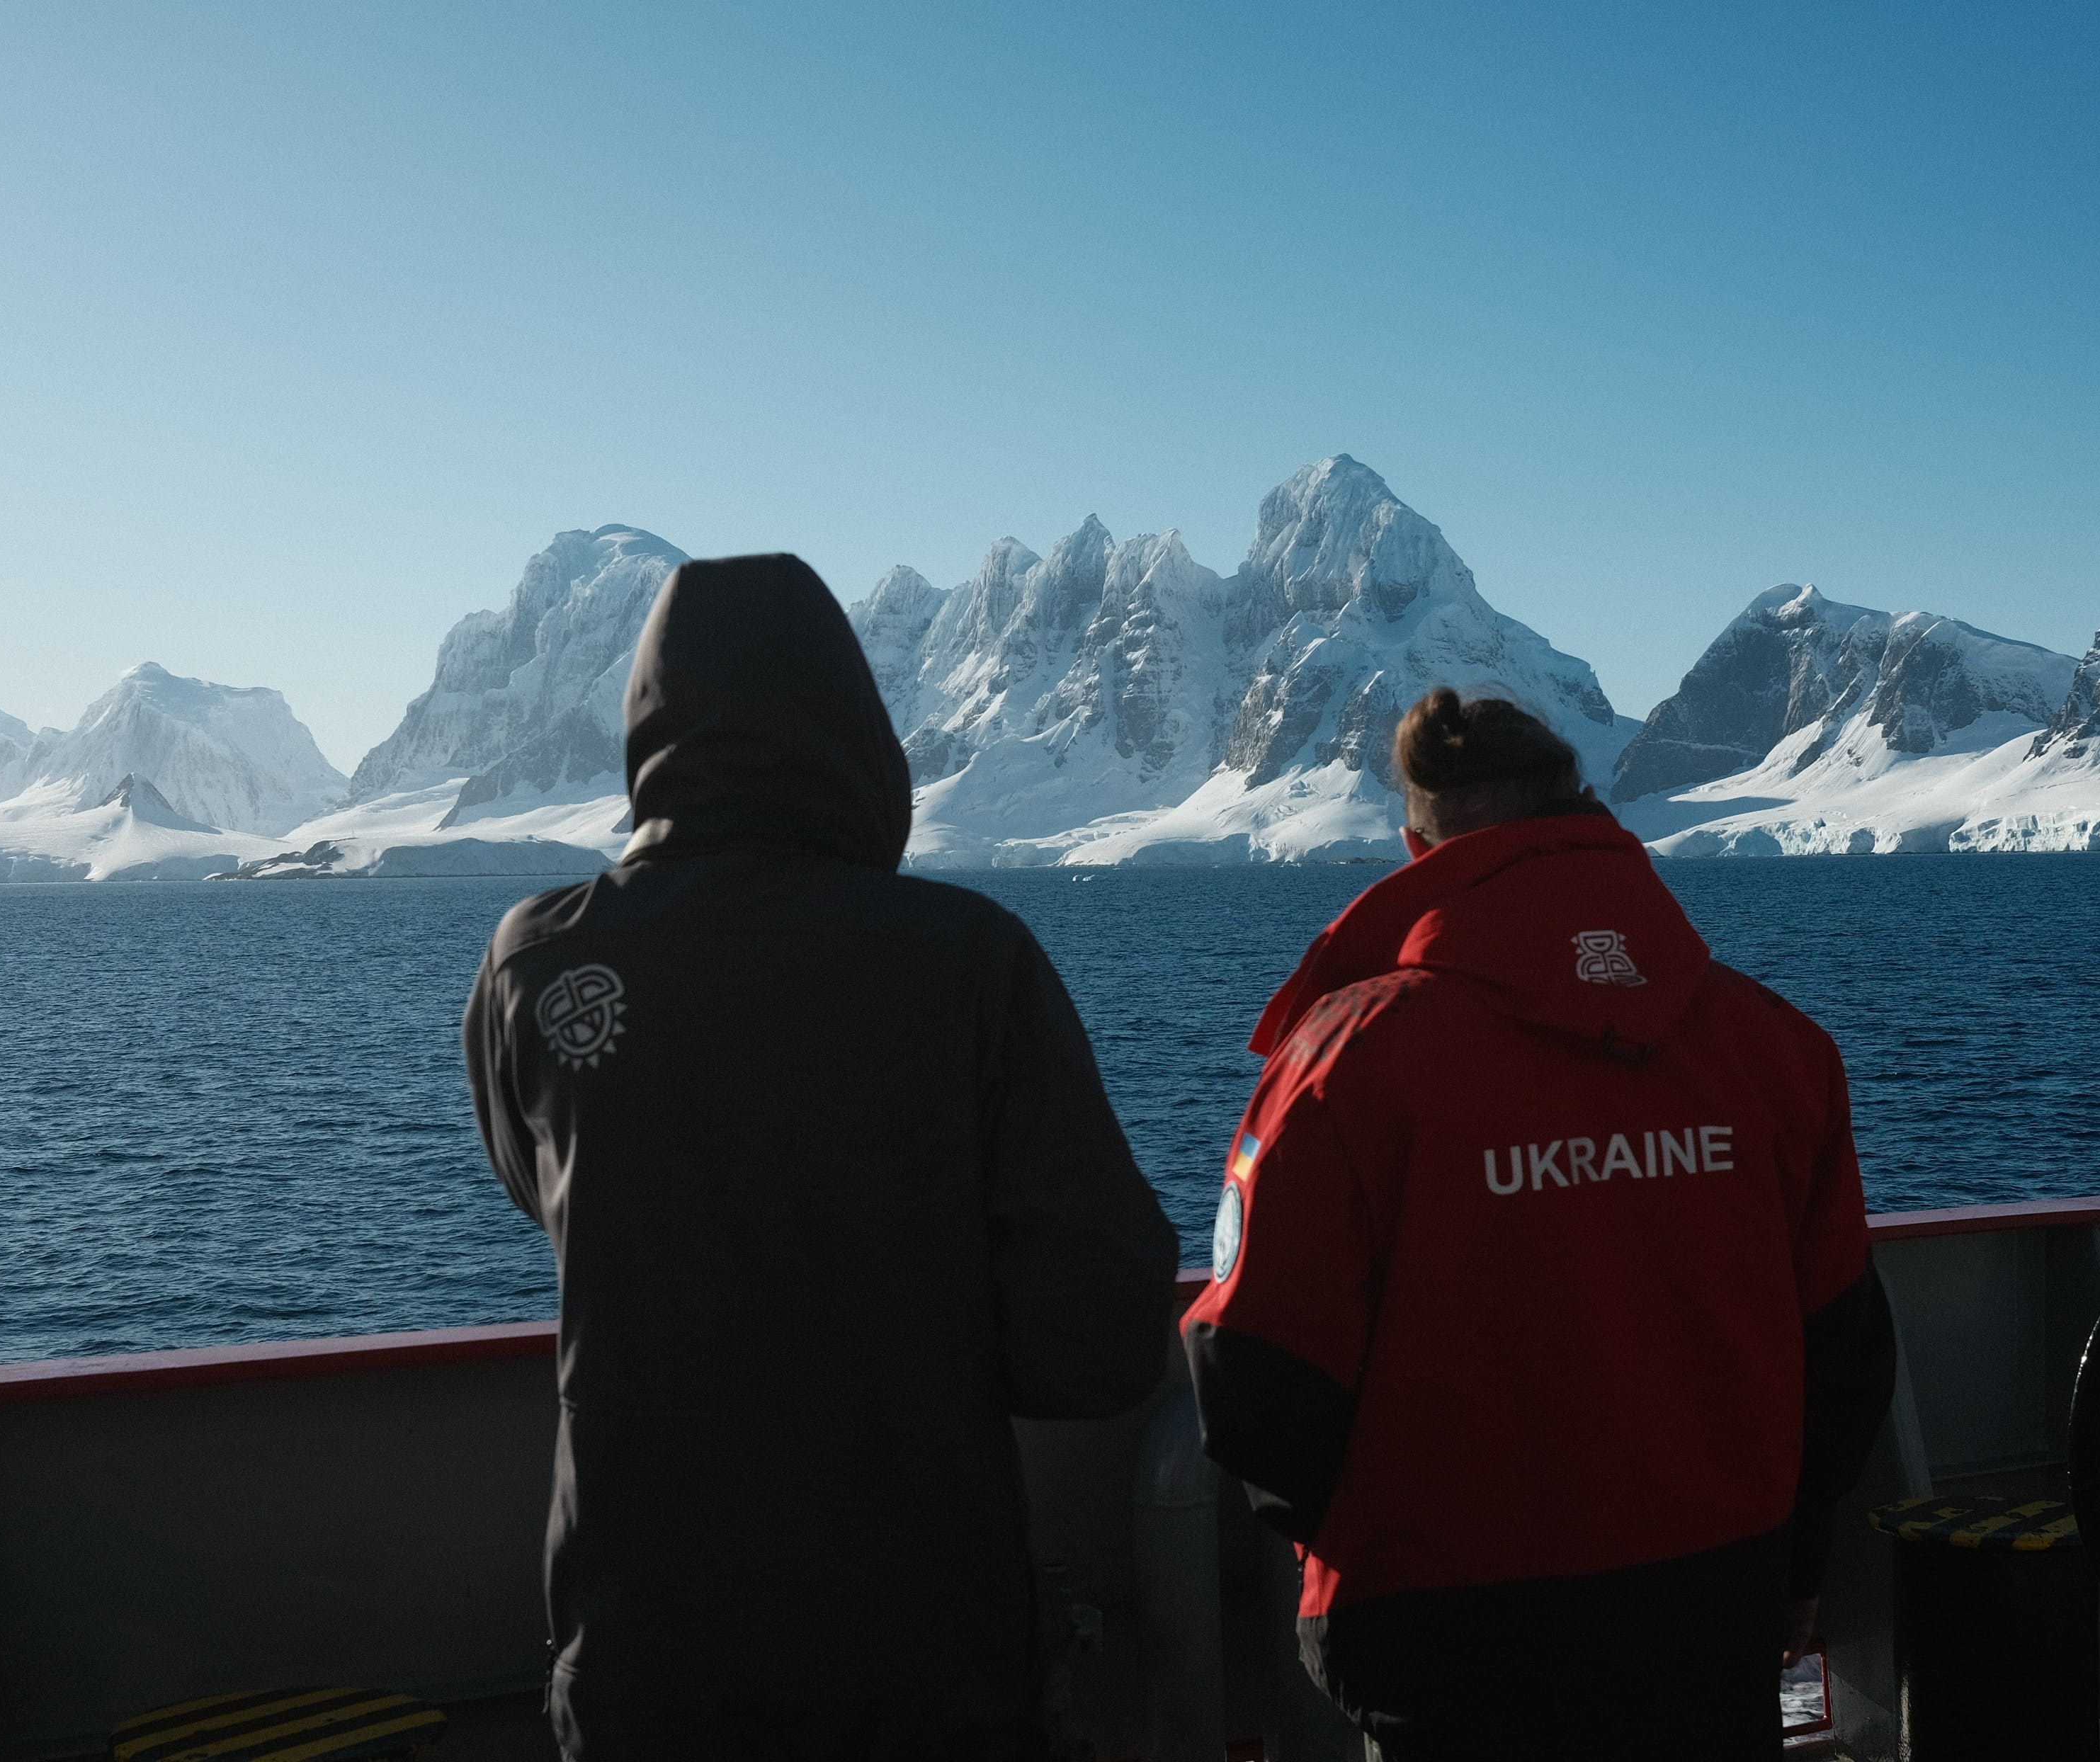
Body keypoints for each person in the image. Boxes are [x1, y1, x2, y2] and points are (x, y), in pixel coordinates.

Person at [464, 553, 1181, 1762]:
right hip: (924, 1650)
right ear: (857, 733)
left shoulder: (534, 961)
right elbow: (1100, 1334)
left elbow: (545, 1195)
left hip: (641, 1653)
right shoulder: (967, 960)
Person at [1182, 687, 1897, 1759]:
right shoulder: (1776, 1047)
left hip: (1446, 1633)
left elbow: (1255, 1370)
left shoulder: (1348, 1062)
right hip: (1713, 1606)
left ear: (1419, 850)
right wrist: (1791, 1565)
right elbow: (1842, 1345)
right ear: (1586, 815)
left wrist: (1364, 1546)